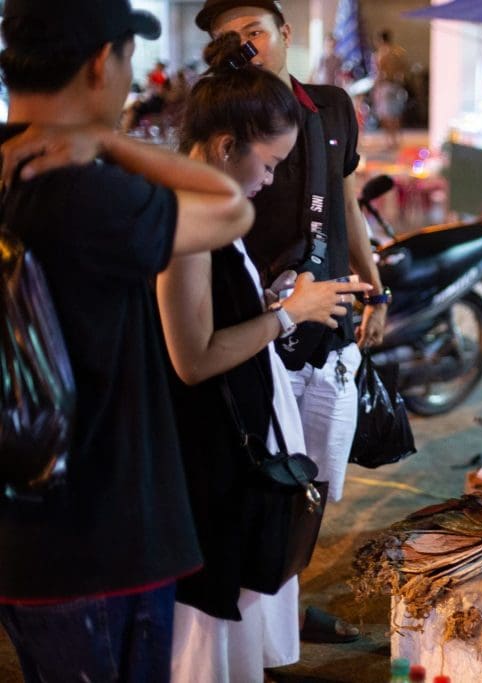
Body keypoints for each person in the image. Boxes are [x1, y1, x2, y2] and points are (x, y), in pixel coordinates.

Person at [0, 0, 255, 679]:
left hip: (19, 539)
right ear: (98, 65)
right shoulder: (85, 189)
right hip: (102, 540)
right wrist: (110, 142)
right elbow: (232, 207)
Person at [158, 33, 371, 682]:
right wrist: (287, 314)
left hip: (233, 454)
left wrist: (273, 296)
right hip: (208, 462)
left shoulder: (215, 207)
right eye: (271, 163)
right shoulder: (188, 219)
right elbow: (191, 358)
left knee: (239, 614)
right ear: (227, 147)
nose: (273, 178)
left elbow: (218, 314)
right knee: (211, 627)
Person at [195, 0, 390, 644]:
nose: (246, 44)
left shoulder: (332, 106)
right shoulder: (226, 124)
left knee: (314, 478)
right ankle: (265, 614)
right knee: (262, 476)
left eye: (255, 30)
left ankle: (284, 599)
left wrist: (374, 287)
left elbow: (346, 199)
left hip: (323, 315)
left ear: (283, 33)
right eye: (231, 37)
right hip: (255, 321)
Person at [371, 29, 407, 150]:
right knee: (396, 114)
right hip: (396, 86)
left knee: (386, 115)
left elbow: (378, 73)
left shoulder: (380, 55)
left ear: (380, 40)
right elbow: (403, 69)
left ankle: (389, 141)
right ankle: (396, 140)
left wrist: (375, 87)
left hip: (385, 87)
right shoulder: (398, 53)